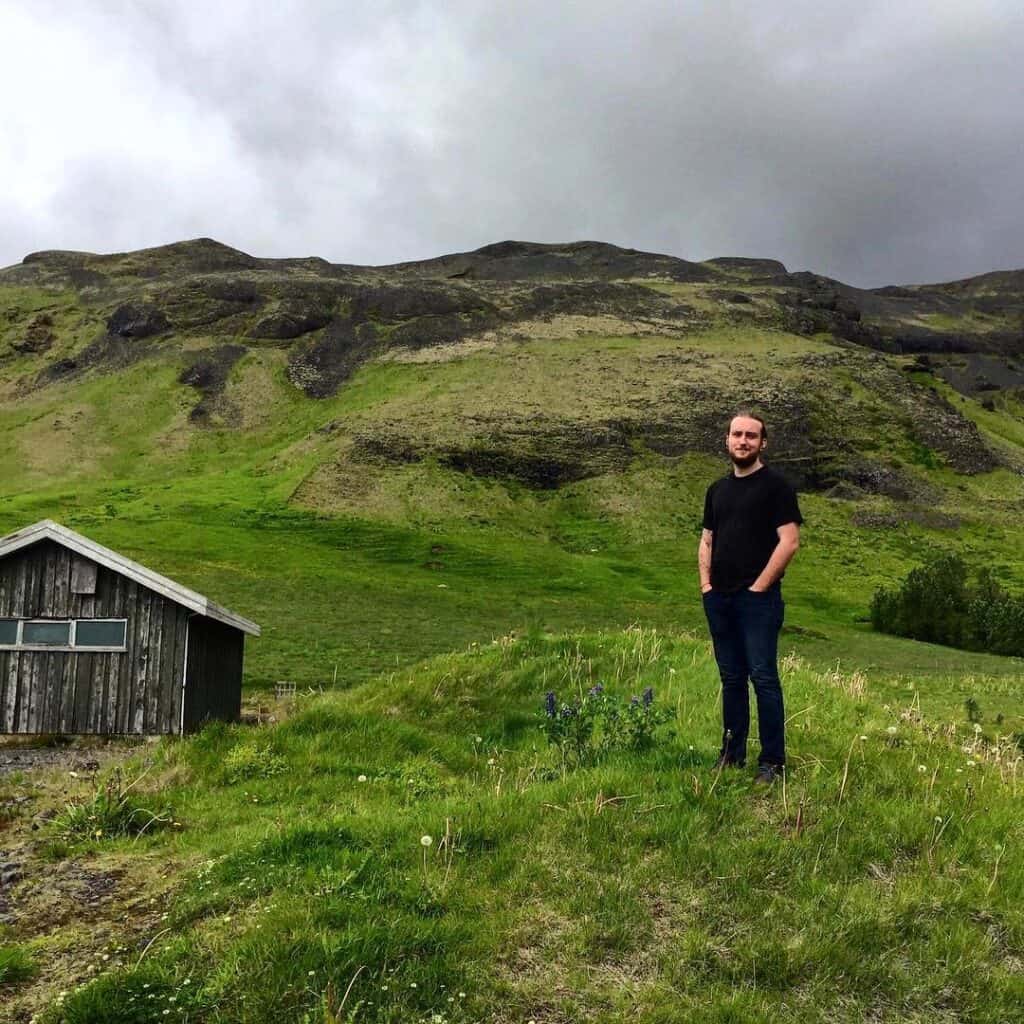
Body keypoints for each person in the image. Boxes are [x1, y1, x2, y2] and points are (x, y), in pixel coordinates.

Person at [698, 412, 802, 785]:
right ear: (726, 440)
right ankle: (732, 754)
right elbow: (707, 538)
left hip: (758, 602)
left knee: (763, 678)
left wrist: (759, 587)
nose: (743, 441)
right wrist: (706, 586)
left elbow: (789, 541)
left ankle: (772, 763)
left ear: (763, 443)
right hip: (720, 600)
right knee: (731, 679)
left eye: (751, 436)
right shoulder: (717, 490)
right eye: (737, 434)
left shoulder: (776, 487)